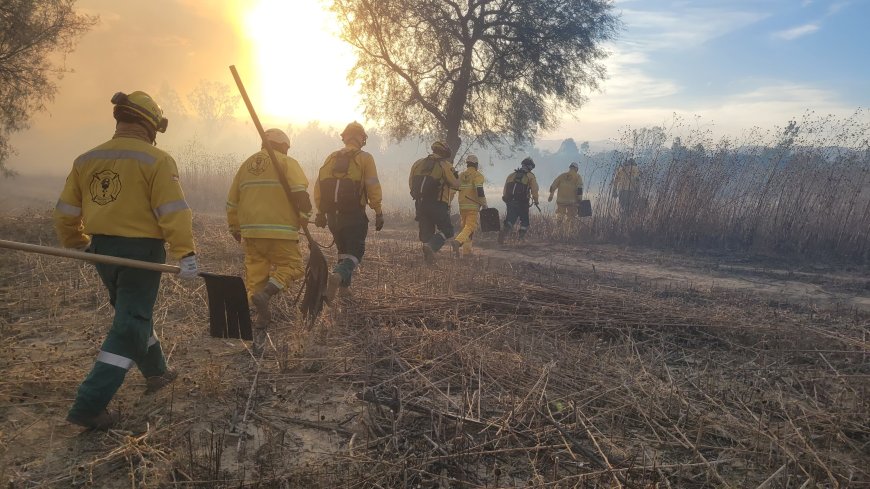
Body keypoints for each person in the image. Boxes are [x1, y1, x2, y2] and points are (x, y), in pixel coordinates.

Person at [53, 90, 197, 430]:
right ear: (149, 125)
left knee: (131, 312)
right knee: (130, 323)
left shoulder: (86, 159)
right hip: (141, 252)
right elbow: (173, 212)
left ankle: (157, 372)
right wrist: (185, 252)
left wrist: (78, 243)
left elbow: (65, 213)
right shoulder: (157, 160)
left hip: (102, 250)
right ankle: (90, 404)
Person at [226, 128, 312, 353]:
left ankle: (258, 340)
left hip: (252, 235)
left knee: (255, 281)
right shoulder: (286, 162)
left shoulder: (246, 165)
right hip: (281, 233)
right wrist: (304, 217)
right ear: (283, 145)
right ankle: (268, 294)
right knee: (292, 266)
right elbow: (301, 194)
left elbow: (232, 201)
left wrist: (234, 227)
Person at [313, 121, 384, 302]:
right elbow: (372, 186)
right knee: (356, 251)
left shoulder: (331, 157)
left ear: (344, 137)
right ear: (361, 138)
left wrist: (320, 212)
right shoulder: (365, 158)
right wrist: (378, 210)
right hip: (354, 215)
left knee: (343, 251)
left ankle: (344, 290)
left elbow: (319, 185)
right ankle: (338, 275)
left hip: (332, 216)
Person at [409, 140, 461, 263]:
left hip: (420, 203)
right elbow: (456, 184)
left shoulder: (418, 163)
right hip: (438, 203)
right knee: (447, 230)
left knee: (426, 234)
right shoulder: (445, 165)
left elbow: (411, 182)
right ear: (445, 152)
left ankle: (429, 262)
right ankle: (432, 246)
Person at [449, 154, 487, 257]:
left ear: (467, 164)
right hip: (473, 206)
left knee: (466, 229)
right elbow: (479, 190)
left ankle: (467, 252)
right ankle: (457, 242)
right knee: (470, 226)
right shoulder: (477, 175)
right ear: (476, 165)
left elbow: (452, 190)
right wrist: (484, 204)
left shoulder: (461, 175)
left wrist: (448, 203)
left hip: (462, 206)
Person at [498, 157, 539, 244]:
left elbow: (505, 188)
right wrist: (536, 200)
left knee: (510, 220)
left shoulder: (511, 175)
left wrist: (507, 200)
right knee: (525, 221)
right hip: (523, 203)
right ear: (529, 166)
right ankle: (521, 239)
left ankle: (503, 234)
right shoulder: (530, 176)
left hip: (510, 202)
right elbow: (535, 189)